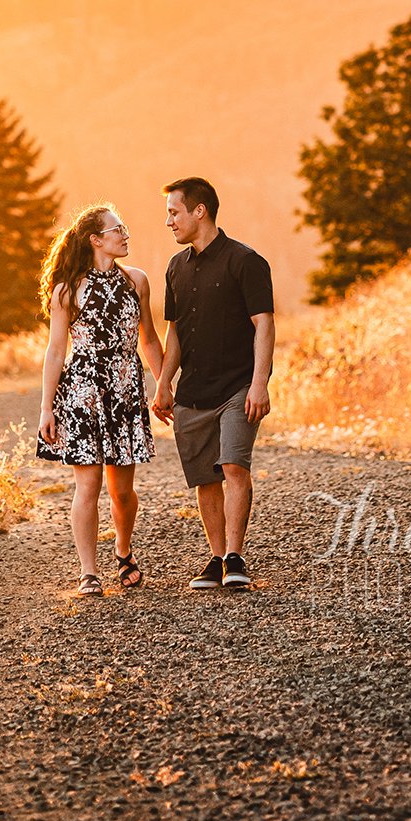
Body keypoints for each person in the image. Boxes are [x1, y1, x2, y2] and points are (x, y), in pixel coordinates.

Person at [152, 176, 275, 591]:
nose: (168, 221)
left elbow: (265, 325)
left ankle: (237, 556)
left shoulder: (246, 261)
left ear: (199, 211)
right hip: (193, 392)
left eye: (174, 212)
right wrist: (164, 382)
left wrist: (260, 383)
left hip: (238, 386)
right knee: (206, 477)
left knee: (233, 466)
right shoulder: (175, 268)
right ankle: (217, 557)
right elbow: (175, 335)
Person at [37, 204, 165, 597]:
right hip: (82, 394)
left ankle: (124, 551)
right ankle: (88, 572)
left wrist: (164, 386)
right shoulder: (67, 288)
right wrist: (46, 408)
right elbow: (56, 350)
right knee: (87, 486)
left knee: (122, 492)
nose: (125, 235)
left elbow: (148, 339)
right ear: (96, 239)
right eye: (117, 229)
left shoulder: (137, 281)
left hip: (126, 394)